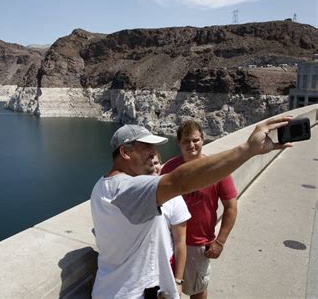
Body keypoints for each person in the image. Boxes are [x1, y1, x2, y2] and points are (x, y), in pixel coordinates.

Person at [90, 116, 292, 299]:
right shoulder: (129, 188)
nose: (154, 154)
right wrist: (248, 149)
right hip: (135, 293)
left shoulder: (100, 187)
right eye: (146, 148)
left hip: (107, 289)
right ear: (125, 152)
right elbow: (180, 180)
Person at [161, 120, 238, 299]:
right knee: (168, 289)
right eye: (186, 141)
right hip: (170, 241)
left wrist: (220, 241)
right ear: (178, 143)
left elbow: (231, 208)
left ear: (203, 140)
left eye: (195, 140)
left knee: (197, 290)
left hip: (198, 244)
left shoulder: (217, 168)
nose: (191, 145)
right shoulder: (170, 168)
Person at [152, 152, 190, 297]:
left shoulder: (173, 197)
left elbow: (180, 242)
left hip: (164, 269)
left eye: (156, 163)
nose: (153, 167)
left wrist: (178, 281)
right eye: (149, 163)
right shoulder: (131, 192)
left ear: (161, 166)